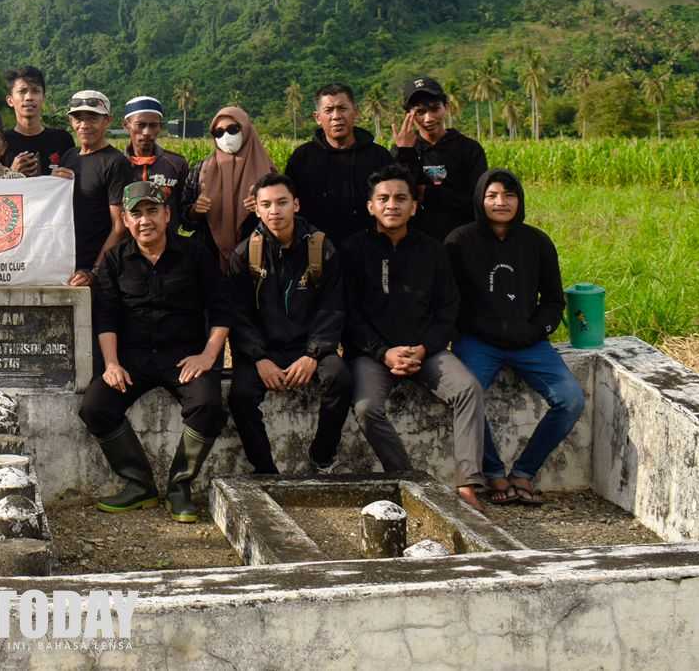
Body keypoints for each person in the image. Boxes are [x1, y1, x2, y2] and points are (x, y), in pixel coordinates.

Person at [79, 182, 228, 522]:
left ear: (167, 215)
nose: (145, 220)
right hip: (133, 357)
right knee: (95, 406)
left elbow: (222, 310)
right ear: (127, 222)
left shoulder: (195, 254)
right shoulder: (115, 260)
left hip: (184, 356)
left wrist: (207, 356)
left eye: (152, 211)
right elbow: (106, 318)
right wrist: (112, 364)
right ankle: (138, 484)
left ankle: (180, 486)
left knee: (207, 405)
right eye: (136, 213)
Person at [341, 165, 486, 510]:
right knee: (366, 408)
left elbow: (447, 309)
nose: (392, 205)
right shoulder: (353, 251)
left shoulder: (433, 251)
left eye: (401, 198)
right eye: (384, 198)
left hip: (427, 351)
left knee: (467, 389)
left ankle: (468, 484)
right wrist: (383, 353)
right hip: (371, 355)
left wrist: (423, 348)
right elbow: (348, 315)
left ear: (414, 207)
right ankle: (409, 480)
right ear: (371, 206)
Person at [447, 169, 584, 506]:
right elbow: (451, 302)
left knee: (571, 400)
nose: (501, 202)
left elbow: (553, 299)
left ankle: (523, 473)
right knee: (469, 397)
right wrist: (490, 329)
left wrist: (536, 329)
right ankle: (494, 474)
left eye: (509, 195)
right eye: (492, 195)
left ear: (519, 200)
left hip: (529, 341)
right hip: (478, 340)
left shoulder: (537, 242)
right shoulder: (459, 241)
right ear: (480, 199)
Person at [224, 173, 353, 475]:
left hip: (308, 346)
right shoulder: (245, 254)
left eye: (282, 202)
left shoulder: (320, 248)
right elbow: (238, 315)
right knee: (240, 395)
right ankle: (265, 470)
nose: (274, 211)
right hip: (263, 349)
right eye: (266, 204)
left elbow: (333, 307)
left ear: (295, 204)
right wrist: (258, 359)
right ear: (256, 209)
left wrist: (313, 353)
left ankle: (322, 454)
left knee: (340, 378)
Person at [283, 83, 394, 245]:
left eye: (342, 108)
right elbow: (287, 199)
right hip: (316, 249)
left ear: (355, 112)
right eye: (328, 110)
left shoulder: (378, 156)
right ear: (317, 117)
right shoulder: (302, 157)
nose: (336, 116)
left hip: (370, 248)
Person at [393, 77, 488, 243]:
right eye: (420, 112)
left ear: (446, 107)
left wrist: (428, 192)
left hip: (463, 241)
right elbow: (400, 197)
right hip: (417, 244)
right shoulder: (401, 150)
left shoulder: (469, 149)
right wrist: (405, 153)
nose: (428, 119)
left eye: (434, 108)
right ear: (408, 115)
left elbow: (478, 202)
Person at [53, 90, 132, 288]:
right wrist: (52, 183)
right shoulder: (69, 157)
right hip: (65, 265)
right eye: (78, 118)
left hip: (96, 272)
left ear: (107, 121)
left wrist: (95, 270)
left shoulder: (115, 163)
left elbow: (120, 226)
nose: (84, 125)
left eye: (92, 118)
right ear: (71, 121)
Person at [182, 105, 277, 264]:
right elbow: (185, 222)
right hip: (209, 261)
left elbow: (283, 221)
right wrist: (194, 210)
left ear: (246, 129)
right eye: (218, 132)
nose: (225, 136)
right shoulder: (200, 171)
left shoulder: (269, 174)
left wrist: (263, 209)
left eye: (233, 129)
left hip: (258, 260)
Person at [121, 95, 190, 224]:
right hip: (126, 242)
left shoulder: (176, 164)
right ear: (126, 125)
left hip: (168, 241)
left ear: (160, 127)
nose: (147, 132)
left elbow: (185, 210)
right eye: (140, 125)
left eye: (153, 125)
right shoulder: (115, 164)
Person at [1, 65, 74, 176]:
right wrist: (11, 174)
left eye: (35, 91)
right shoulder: (0, 142)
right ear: (10, 100)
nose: (29, 97)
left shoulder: (63, 140)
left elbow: (74, 182)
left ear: (43, 99)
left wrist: (57, 179)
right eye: (22, 91)